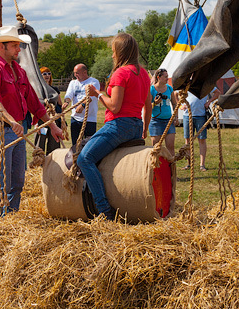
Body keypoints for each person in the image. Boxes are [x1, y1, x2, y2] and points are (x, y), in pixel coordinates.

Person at [0, 26, 64, 216]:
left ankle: (10, 219)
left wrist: (52, 126)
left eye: (19, 45)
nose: (19, 49)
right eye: (14, 45)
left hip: (16, 130)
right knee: (2, 183)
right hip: (2, 131)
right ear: (1, 47)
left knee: (17, 182)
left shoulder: (19, 71)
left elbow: (35, 104)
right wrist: (13, 121)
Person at [80, 33, 152, 220]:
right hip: (136, 125)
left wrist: (98, 94)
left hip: (119, 124)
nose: (112, 56)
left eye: (113, 52)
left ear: (120, 52)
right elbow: (148, 105)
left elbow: (114, 106)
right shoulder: (144, 74)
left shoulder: (120, 73)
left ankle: (104, 210)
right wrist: (144, 128)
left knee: (84, 159)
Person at [64, 63, 100, 146]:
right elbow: (69, 94)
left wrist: (82, 105)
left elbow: (93, 96)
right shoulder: (73, 83)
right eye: (74, 73)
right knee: (75, 145)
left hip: (89, 119)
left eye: (77, 73)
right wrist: (67, 102)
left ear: (84, 72)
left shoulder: (94, 82)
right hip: (75, 119)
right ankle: (75, 158)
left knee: (89, 145)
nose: (75, 75)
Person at [180, 89, 214, 171]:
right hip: (187, 116)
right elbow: (176, 94)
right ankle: (189, 164)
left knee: (202, 140)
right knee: (188, 140)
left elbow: (217, 93)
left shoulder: (204, 84)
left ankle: (202, 165)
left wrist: (208, 102)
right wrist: (181, 105)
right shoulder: (187, 83)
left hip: (200, 116)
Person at [148, 68, 178, 155]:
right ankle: (156, 167)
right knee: (156, 147)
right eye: (165, 77)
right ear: (159, 77)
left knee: (170, 146)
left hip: (169, 120)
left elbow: (174, 103)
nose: (167, 79)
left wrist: (175, 117)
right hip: (156, 121)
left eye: (167, 76)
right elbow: (147, 106)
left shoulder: (169, 88)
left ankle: (171, 166)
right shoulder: (152, 89)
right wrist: (155, 103)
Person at [33, 66, 63, 153]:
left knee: (54, 143)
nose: (47, 75)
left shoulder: (55, 90)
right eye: (44, 74)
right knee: (40, 142)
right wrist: (36, 124)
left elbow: (59, 105)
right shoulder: (37, 90)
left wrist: (61, 121)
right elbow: (34, 106)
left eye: (49, 73)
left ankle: (52, 162)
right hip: (42, 119)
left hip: (54, 118)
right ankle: (39, 162)